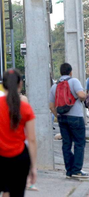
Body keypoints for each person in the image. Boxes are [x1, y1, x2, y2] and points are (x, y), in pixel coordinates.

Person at [0, 69, 37, 197]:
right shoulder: (25, 107)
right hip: (19, 159)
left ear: (3, 84)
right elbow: (31, 139)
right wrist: (33, 167)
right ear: (20, 84)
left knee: (6, 190)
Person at [49, 63, 89, 178]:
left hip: (62, 118)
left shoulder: (54, 86)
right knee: (79, 143)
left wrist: (58, 116)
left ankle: (69, 171)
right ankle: (76, 170)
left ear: (61, 72)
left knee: (66, 144)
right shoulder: (74, 81)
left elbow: (51, 106)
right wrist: (85, 95)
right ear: (70, 72)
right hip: (76, 117)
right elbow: (81, 95)